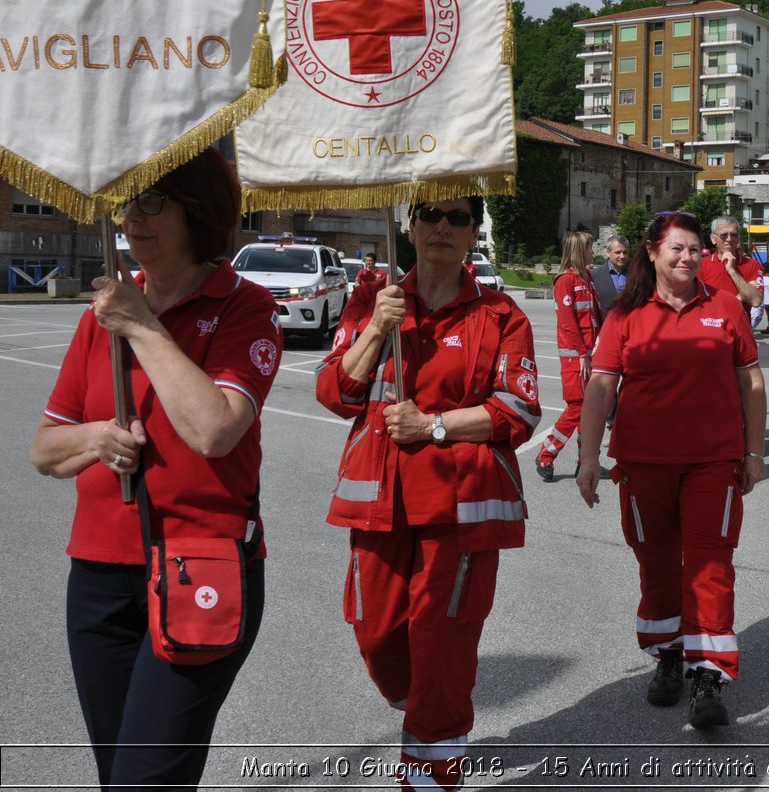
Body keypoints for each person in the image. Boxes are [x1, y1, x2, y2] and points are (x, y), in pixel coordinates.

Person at [32, 148, 281, 791]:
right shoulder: (105, 315)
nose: (132, 216)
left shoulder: (244, 308)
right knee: (118, 775)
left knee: (148, 778)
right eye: (127, 201)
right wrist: (95, 437)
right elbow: (45, 450)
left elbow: (215, 429)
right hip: (97, 579)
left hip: (199, 566)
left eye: (154, 200)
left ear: (197, 209)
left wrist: (143, 326)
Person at [317, 197, 541, 791]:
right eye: (430, 213)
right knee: (378, 634)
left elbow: (517, 411)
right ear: (410, 224)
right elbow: (334, 393)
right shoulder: (373, 301)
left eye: (459, 217)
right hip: (378, 499)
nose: (443, 226)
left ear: (473, 232)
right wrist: (375, 330)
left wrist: (434, 426)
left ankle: (432, 771)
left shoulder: (501, 315)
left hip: (461, 504)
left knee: (441, 644)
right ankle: (429, 706)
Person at [574, 210, 766, 729]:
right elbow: (600, 389)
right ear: (653, 252)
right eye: (677, 248)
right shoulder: (624, 315)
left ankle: (708, 674)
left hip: (712, 462)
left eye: (695, 249)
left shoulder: (725, 306)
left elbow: (752, 384)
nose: (688, 257)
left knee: (710, 568)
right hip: (642, 465)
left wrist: (754, 453)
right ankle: (669, 656)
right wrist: (589, 457)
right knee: (657, 566)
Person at [536, 231, 599, 482]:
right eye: (589, 249)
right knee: (577, 406)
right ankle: (546, 454)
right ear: (578, 252)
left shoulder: (586, 279)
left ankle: (584, 461)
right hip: (575, 356)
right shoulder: (565, 281)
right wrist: (583, 353)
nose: (593, 253)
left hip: (588, 354)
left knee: (587, 409)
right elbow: (568, 322)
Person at [699, 215, 764, 321]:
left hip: (740, 330)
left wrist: (732, 271)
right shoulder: (701, 265)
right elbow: (694, 301)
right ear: (713, 239)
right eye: (724, 235)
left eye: (734, 235)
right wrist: (739, 297)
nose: (729, 239)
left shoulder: (752, 265)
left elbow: (756, 300)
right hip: (710, 331)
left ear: (738, 238)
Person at [591, 234, 629, 319]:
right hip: (606, 327)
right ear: (608, 253)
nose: (622, 256)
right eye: (618, 252)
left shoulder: (635, 273)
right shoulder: (595, 275)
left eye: (625, 252)